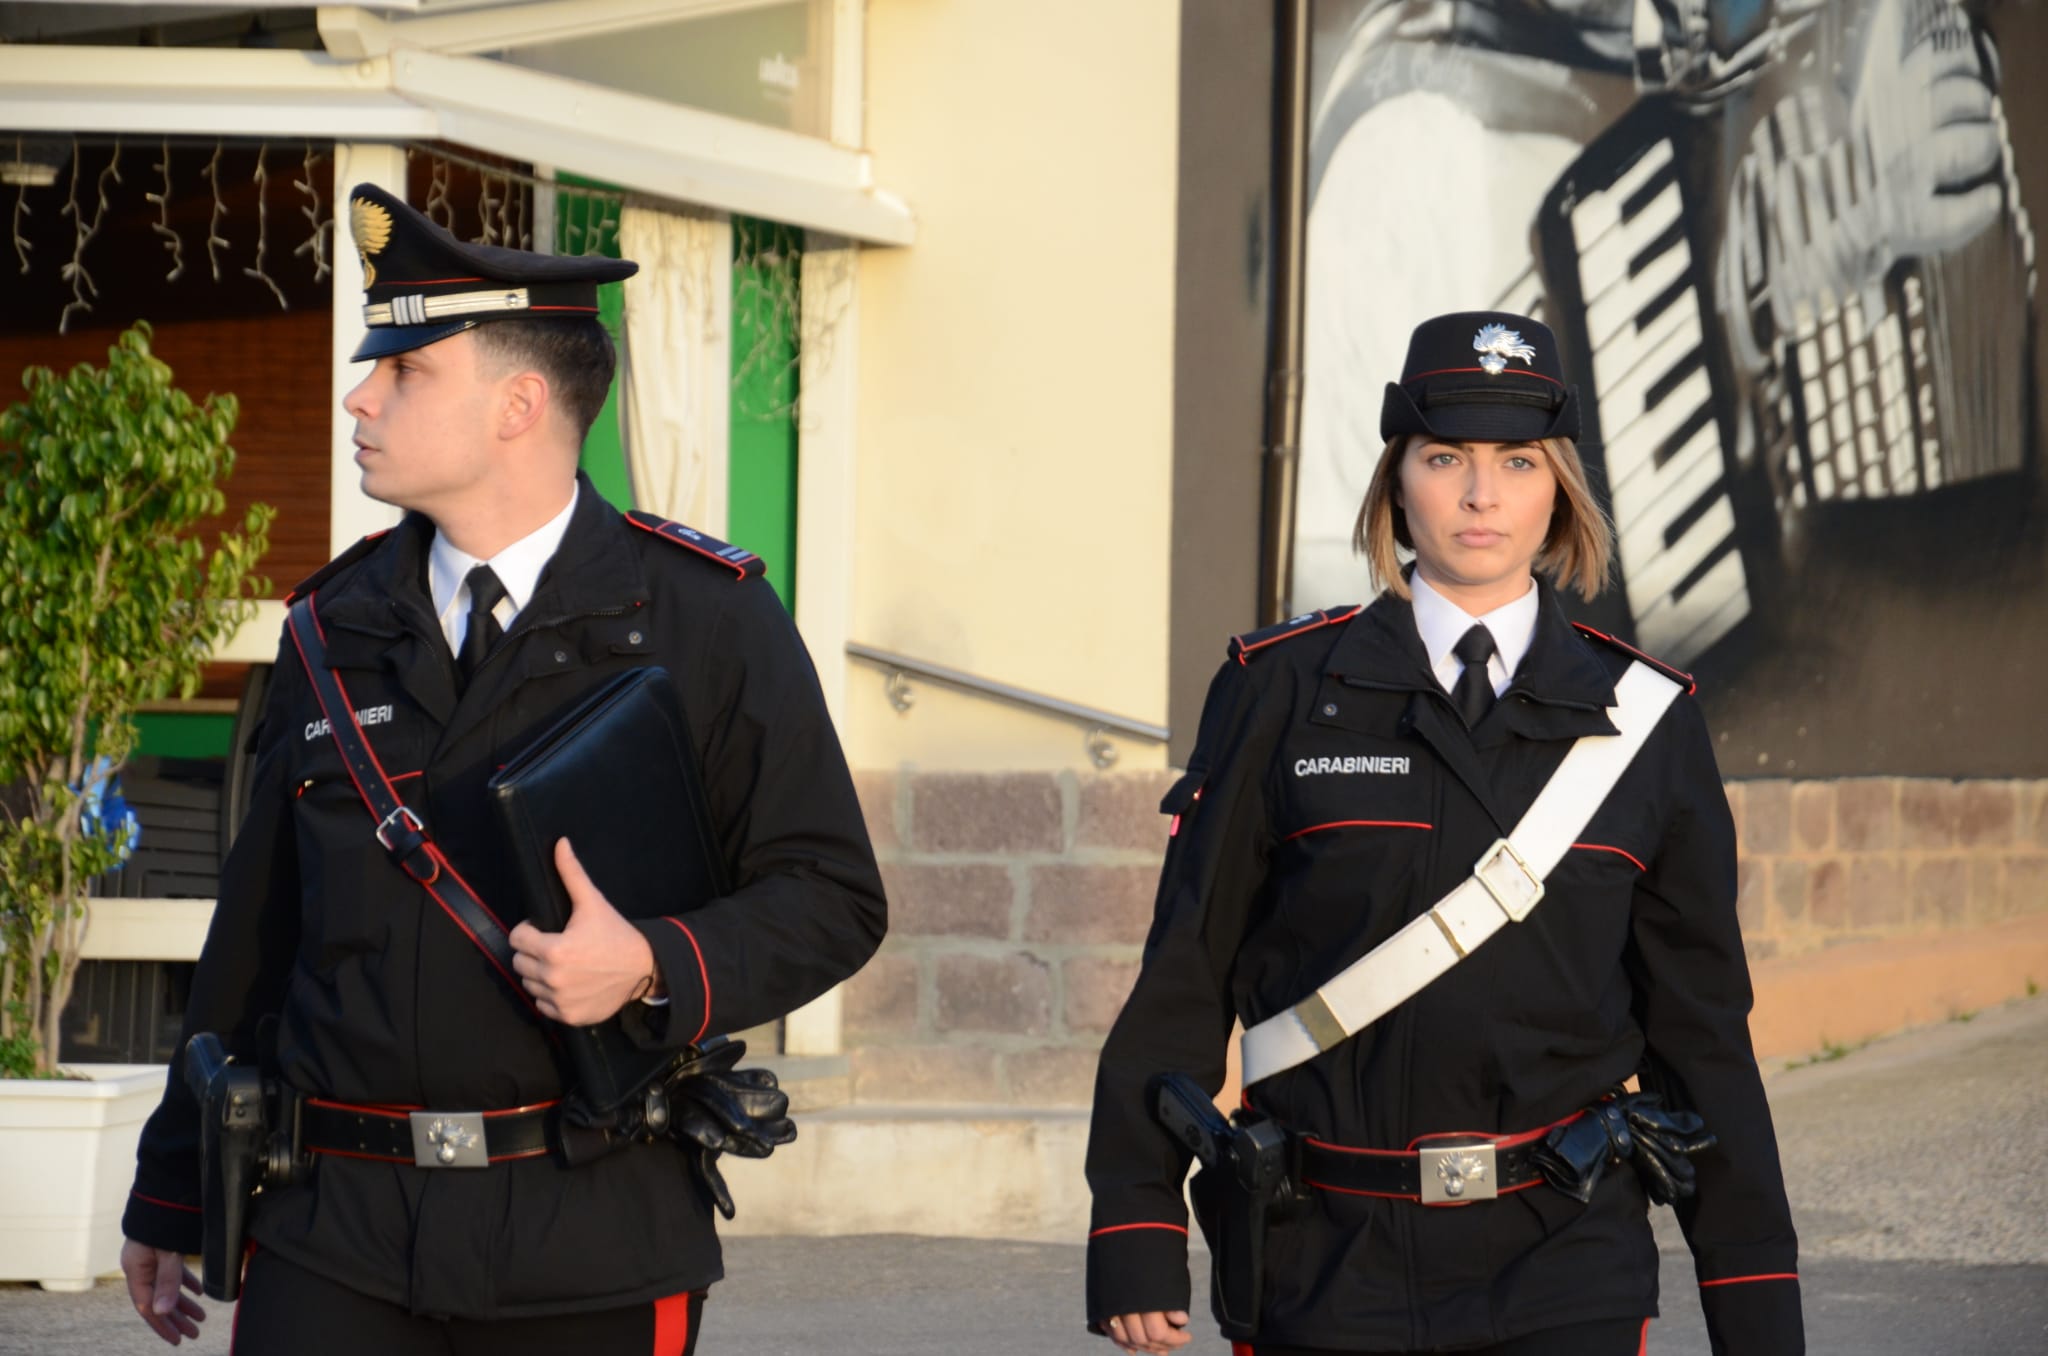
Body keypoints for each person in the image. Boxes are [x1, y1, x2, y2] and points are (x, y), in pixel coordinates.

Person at [117, 183, 887, 1354]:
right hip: (335, 1236)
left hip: (591, 1230)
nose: (359, 397)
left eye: (404, 372)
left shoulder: (704, 619)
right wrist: (173, 1188)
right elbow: (256, 938)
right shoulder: (331, 626)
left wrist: (649, 962)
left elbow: (830, 896)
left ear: (520, 403)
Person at [1084, 311, 1802, 1355]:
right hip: (1321, 1258)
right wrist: (1136, 1225)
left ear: (1559, 489)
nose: (1479, 494)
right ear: (1396, 484)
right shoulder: (1279, 689)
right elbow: (1186, 975)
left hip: (1564, 1259)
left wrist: (1755, 1301)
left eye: (1516, 461)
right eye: (1444, 457)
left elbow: (1701, 1036)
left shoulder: (1647, 719)